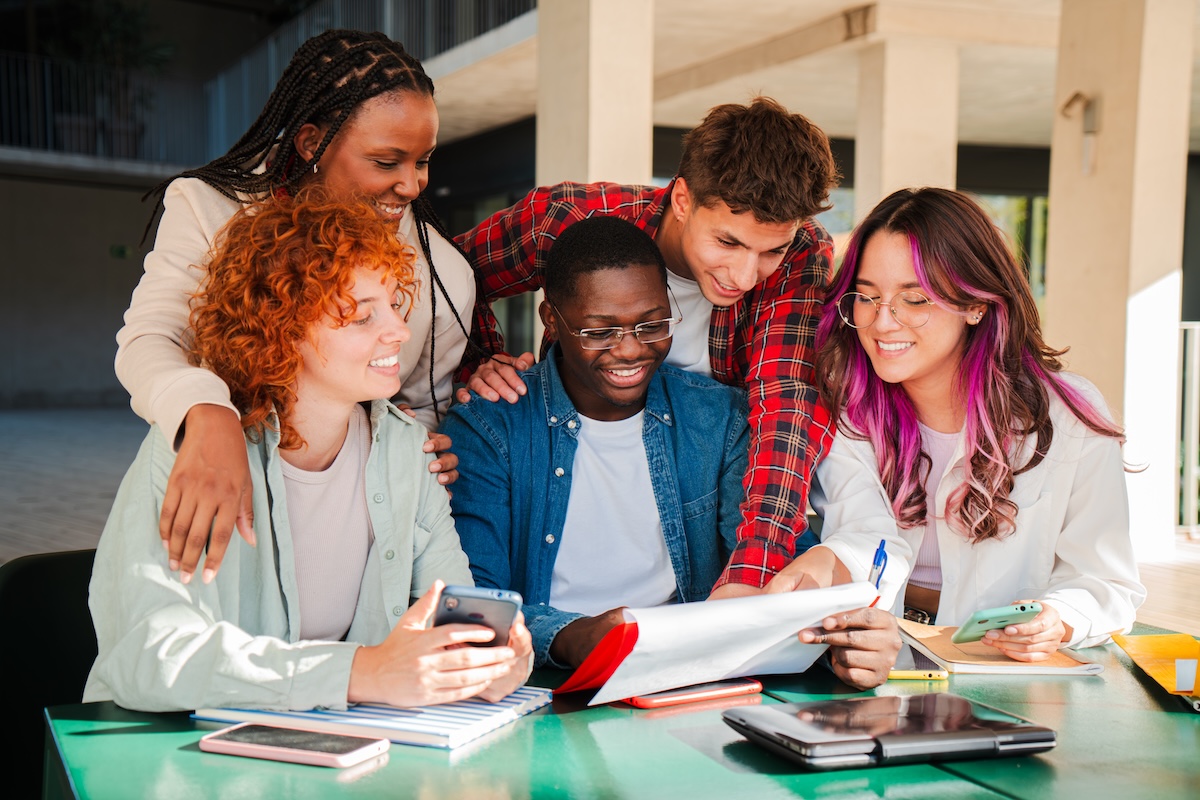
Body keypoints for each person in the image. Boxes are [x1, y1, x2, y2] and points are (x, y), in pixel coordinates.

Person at [85, 194, 532, 712]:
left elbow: (457, 617)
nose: (400, 331)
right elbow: (150, 657)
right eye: (363, 317)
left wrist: (491, 660)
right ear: (281, 331)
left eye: (394, 304)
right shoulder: (191, 454)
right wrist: (362, 673)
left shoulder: (408, 449)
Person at [442, 217, 898, 690]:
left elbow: (784, 580)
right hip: (542, 691)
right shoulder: (488, 428)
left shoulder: (718, 420)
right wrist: (570, 637)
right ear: (552, 321)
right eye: (600, 332)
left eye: (652, 324)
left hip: (694, 688)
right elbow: (476, 605)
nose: (631, 350)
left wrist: (845, 638)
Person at [115, 29, 476, 584]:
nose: (411, 184)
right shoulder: (213, 209)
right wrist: (208, 416)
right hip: (223, 496)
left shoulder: (443, 271)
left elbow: (420, 410)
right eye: (386, 161)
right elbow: (151, 340)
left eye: (423, 160)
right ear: (311, 141)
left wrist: (425, 458)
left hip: (349, 520)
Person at [454, 98, 840, 599]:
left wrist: (754, 569)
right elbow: (441, 281)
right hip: (568, 462)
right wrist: (479, 361)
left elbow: (785, 401)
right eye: (727, 243)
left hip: (702, 494)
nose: (745, 276)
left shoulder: (803, 251)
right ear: (682, 199)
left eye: (771, 250)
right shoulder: (568, 219)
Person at [766, 188, 1145, 660]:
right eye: (867, 297)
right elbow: (862, 533)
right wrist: (819, 569)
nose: (883, 323)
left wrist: (1057, 619)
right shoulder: (847, 404)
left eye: (915, 299)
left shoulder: (1067, 414)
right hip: (883, 661)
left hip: (1002, 673)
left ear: (976, 304)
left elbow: (1104, 579)